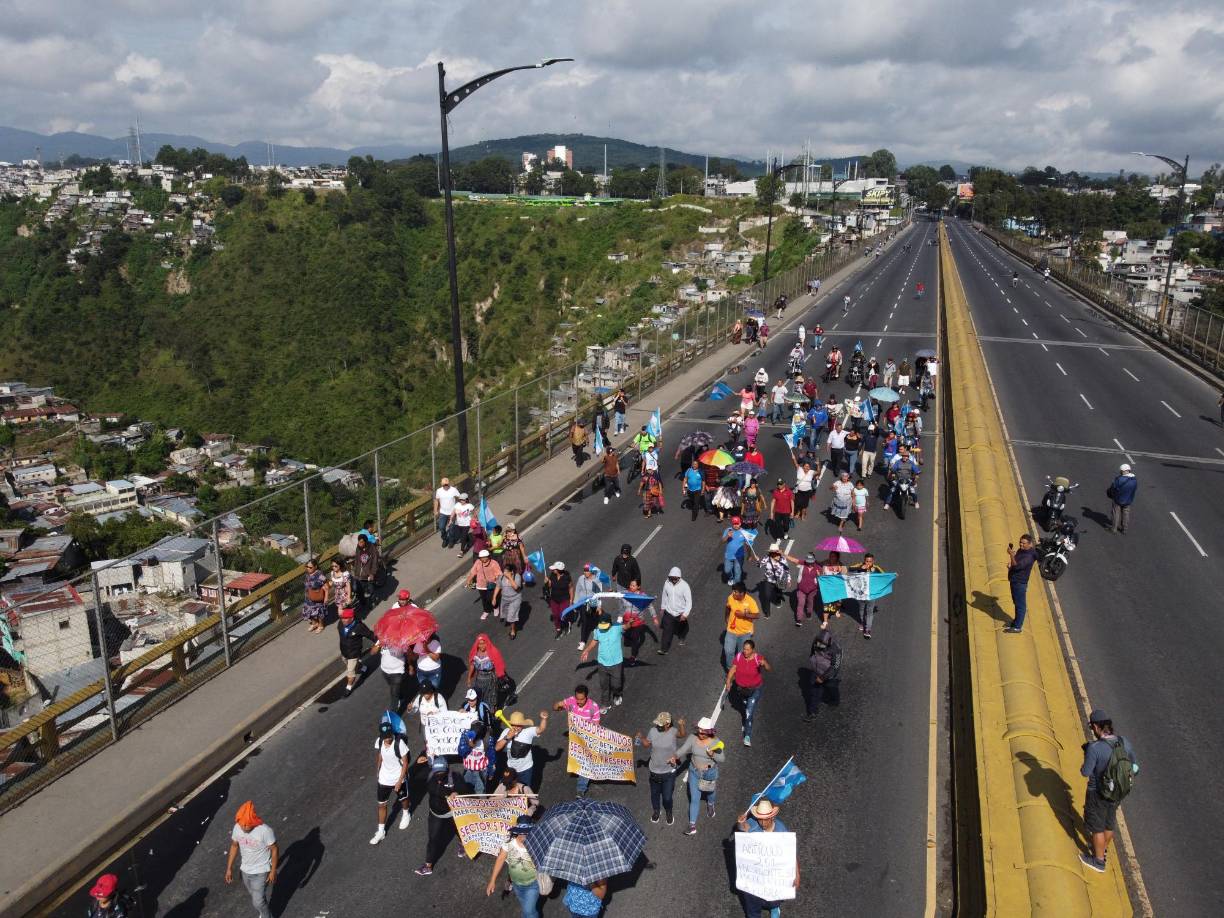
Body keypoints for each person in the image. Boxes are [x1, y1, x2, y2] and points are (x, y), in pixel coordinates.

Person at [1078, 710, 1138, 873]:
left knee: (1096, 827)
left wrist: (1085, 760)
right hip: (1118, 793)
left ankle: (1098, 861)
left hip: (1098, 793)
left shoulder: (1095, 748)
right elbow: (1135, 767)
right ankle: (1102, 849)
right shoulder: (1124, 742)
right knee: (1108, 823)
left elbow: (1086, 772)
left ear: (1096, 727)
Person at [736, 799, 800, 918]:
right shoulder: (753, 823)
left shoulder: (781, 830)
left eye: (765, 819)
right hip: (755, 874)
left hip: (773, 874)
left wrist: (796, 874)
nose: (762, 823)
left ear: (772, 817)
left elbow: (790, 853)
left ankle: (774, 907)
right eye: (760, 819)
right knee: (752, 902)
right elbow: (743, 828)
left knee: (773, 897)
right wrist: (741, 822)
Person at [225, 801, 277, 918]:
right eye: (242, 824)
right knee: (256, 897)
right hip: (245, 870)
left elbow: (274, 849)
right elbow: (234, 846)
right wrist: (229, 868)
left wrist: (273, 870)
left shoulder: (265, 830)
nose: (244, 827)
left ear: (253, 821)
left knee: (258, 901)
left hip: (262, 871)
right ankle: (263, 913)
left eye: (247, 825)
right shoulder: (237, 827)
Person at [676, 716, 725, 835]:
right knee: (694, 798)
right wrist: (675, 756)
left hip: (709, 773)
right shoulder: (693, 738)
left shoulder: (716, 742)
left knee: (710, 792)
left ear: (709, 732)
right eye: (699, 731)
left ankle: (710, 804)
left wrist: (713, 754)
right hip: (694, 771)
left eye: (703, 732)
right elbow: (683, 749)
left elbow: (722, 758)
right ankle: (692, 825)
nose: (700, 734)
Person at [486, 815, 543, 918]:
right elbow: (500, 859)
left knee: (529, 911)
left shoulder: (537, 843)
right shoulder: (509, 843)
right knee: (527, 909)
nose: (524, 834)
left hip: (533, 884)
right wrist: (492, 881)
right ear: (517, 830)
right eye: (522, 831)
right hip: (517, 885)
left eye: (527, 831)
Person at [636, 712, 686, 824]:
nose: (658, 726)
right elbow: (646, 744)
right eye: (657, 724)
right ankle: (656, 811)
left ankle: (668, 811)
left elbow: (682, 735)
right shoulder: (653, 731)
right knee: (654, 794)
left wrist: (682, 725)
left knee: (667, 797)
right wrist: (641, 737)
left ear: (668, 724)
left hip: (669, 771)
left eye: (660, 724)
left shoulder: (673, 731)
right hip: (654, 770)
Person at [370, 721, 412, 845]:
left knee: (403, 799)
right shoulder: (379, 741)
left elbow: (405, 762)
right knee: (381, 804)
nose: (387, 738)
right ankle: (381, 831)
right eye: (385, 736)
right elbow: (380, 755)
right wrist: (378, 769)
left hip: (398, 777)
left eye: (389, 735)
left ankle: (406, 813)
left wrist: (400, 780)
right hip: (384, 779)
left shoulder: (399, 744)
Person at [555, 684, 602, 795]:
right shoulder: (571, 701)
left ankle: (581, 788)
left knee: (585, 761)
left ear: (587, 697)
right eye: (577, 699)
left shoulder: (593, 707)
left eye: (582, 699)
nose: (579, 701)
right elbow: (556, 707)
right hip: (575, 738)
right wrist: (557, 705)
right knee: (579, 760)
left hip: (587, 738)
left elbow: (595, 727)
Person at [724, 639, 771, 746]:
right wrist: (728, 681)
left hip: (754, 690)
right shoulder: (739, 656)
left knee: (749, 713)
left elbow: (769, 669)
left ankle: (747, 736)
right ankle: (746, 719)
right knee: (745, 707)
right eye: (744, 649)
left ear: (752, 650)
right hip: (741, 689)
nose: (744, 651)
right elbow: (733, 669)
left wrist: (765, 664)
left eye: (747, 649)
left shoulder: (758, 658)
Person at [414, 764, 456, 876]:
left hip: (452, 813)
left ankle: (465, 846)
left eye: (441, 773)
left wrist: (458, 793)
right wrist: (448, 794)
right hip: (436, 815)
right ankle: (428, 865)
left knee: (460, 831)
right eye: (436, 773)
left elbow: (464, 790)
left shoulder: (455, 778)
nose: (439, 776)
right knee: (433, 839)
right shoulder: (430, 779)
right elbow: (433, 789)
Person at [580, 613, 626, 709]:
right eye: (601, 625)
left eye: (605, 626)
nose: (603, 628)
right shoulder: (598, 630)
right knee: (604, 685)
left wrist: (630, 622)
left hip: (616, 663)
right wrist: (587, 650)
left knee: (616, 685)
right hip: (602, 663)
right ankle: (605, 703)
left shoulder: (617, 628)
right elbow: (595, 640)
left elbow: (627, 627)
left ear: (610, 623)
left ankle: (617, 694)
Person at [496, 710, 548, 787]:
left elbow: (541, 729)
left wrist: (544, 719)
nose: (516, 727)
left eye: (519, 725)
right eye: (514, 725)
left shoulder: (527, 732)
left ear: (523, 725)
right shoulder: (506, 732)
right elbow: (497, 748)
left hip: (526, 769)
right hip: (511, 768)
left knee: (524, 792)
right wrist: (507, 737)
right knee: (509, 790)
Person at [336, 606, 377, 696]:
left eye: (346, 618)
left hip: (353, 653)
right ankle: (364, 668)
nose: (343, 620)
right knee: (351, 665)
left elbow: (370, 635)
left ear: (352, 618)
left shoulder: (359, 627)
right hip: (344, 652)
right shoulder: (340, 624)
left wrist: (378, 643)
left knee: (350, 673)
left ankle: (349, 687)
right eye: (342, 618)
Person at [803, 628, 841, 721]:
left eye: (822, 645)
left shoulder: (836, 649)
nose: (819, 646)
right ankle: (812, 712)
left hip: (829, 676)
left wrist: (823, 677)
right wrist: (812, 660)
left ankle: (835, 701)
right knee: (814, 693)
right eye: (818, 644)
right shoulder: (816, 640)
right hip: (816, 672)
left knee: (832, 688)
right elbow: (812, 651)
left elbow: (835, 666)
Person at [1003, 534, 1039, 633]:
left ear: (1030, 544)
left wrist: (1011, 555)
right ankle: (1016, 621)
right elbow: (1016, 561)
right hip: (1015, 580)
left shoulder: (1029, 557)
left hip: (1019, 583)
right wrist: (1012, 560)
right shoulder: (1022, 551)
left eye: (1024, 543)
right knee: (1016, 602)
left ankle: (1017, 627)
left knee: (1020, 605)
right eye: (1020, 542)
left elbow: (1017, 566)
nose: (1021, 545)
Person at [722, 581, 760, 672]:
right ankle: (730, 669)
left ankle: (739, 670)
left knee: (741, 654)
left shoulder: (751, 601)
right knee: (728, 651)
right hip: (731, 630)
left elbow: (757, 615)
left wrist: (744, 615)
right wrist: (726, 618)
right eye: (733, 591)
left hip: (745, 633)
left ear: (742, 593)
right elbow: (727, 607)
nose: (733, 593)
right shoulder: (731, 597)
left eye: (735, 592)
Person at [655, 566, 692, 654]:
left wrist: (685, 614)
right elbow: (664, 595)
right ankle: (664, 649)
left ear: (679, 577)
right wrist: (663, 607)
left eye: (676, 578)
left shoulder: (685, 586)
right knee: (667, 630)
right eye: (672, 578)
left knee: (682, 627)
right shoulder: (667, 583)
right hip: (669, 611)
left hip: (680, 612)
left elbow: (689, 602)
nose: (674, 580)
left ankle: (682, 636)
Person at [458, 721, 498, 793]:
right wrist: (469, 746)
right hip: (468, 770)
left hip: (481, 772)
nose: (474, 739)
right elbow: (461, 753)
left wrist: (491, 772)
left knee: (480, 792)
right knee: (466, 791)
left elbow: (491, 757)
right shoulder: (465, 735)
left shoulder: (488, 739)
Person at [467, 632, 505, 706]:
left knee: (491, 697)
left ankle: (491, 713)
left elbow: (498, 665)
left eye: (484, 643)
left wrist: (499, 676)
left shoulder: (493, 652)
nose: (482, 646)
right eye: (480, 644)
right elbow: (472, 665)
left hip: (490, 678)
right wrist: (469, 678)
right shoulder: (475, 653)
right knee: (479, 696)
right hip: (479, 678)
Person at [853, 552, 885, 638]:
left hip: (871, 594)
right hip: (861, 594)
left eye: (870, 561)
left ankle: (868, 630)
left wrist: (893, 576)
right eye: (867, 561)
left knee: (870, 612)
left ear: (873, 561)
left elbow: (885, 576)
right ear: (864, 560)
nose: (868, 563)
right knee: (861, 609)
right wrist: (861, 568)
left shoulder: (876, 568)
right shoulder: (860, 565)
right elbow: (850, 569)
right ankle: (862, 623)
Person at [621, 581, 653, 664]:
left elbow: (650, 605)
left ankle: (633, 656)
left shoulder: (642, 596)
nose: (631, 587)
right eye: (631, 585)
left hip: (638, 621)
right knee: (627, 639)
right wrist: (612, 593)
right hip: (627, 621)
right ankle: (632, 642)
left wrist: (654, 617)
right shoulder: (626, 594)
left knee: (635, 639)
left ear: (638, 587)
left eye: (633, 585)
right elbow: (618, 597)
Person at [466, 549, 502, 622]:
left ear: (488, 556)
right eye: (481, 558)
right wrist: (468, 580)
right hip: (481, 585)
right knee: (484, 599)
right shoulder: (478, 562)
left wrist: (498, 583)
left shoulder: (493, 563)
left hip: (491, 585)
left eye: (485, 557)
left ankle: (495, 607)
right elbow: (473, 572)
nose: (483, 559)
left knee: (491, 598)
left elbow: (499, 574)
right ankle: (486, 611)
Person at [543, 560, 576, 639]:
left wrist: (571, 600)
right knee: (555, 615)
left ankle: (566, 624)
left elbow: (571, 588)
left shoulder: (567, 577)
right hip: (554, 599)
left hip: (564, 599)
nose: (552, 570)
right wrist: (546, 583)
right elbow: (549, 586)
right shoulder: (552, 575)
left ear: (558, 570)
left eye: (554, 569)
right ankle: (558, 629)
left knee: (562, 615)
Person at [756, 542, 791, 615]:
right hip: (768, 580)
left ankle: (778, 600)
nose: (775, 554)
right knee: (767, 595)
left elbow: (787, 570)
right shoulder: (767, 558)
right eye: (773, 552)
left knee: (778, 593)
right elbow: (760, 565)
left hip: (779, 581)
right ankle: (767, 613)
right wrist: (757, 560)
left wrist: (788, 580)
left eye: (776, 552)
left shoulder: (783, 559)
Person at [884, 444, 920, 512]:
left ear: (908, 457)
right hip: (898, 479)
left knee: (913, 492)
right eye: (903, 456)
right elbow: (893, 469)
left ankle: (916, 502)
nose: (904, 457)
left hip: (908, 480)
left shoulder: (911, 463)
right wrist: (892, 474)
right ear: (902, 456)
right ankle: (887, 504)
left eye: (906, 456)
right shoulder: (898, 462)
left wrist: (917, 474)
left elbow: (916, 469)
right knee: (892, 491)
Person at [574, 563, 602, 648]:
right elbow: (577, 590)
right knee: (584, 621)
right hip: (583, 602)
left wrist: (599, 606)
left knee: (593, 619)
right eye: (584, 570)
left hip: (593, 602)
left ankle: (596, 632)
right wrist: (575, 604)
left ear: (591, 571)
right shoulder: (581, 578)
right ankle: (582, 641)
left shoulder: (596, 580)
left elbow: (599, 594)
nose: (585, 572)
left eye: (587, 571)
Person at [493, 562, 524, 638]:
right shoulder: (502, 577)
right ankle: (508, 619)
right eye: (504, 571)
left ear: (511, 572)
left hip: (515, 599)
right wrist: (494, 597)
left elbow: (516, 587)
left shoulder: (517, 577)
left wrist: (510, 577)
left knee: (511, 616)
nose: (504, 573)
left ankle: (513, 631)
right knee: (506, 613)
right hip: (505, 599)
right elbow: (498, 586)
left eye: (506, 571)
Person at [818, 551, 848, 628]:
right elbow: (819, 565)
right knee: (826, 605)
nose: (831, 557)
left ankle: (837, 610)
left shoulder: (841, 565)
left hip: (837, 589)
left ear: (837, 557)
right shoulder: (825, 563)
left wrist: (840, 569)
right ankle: (825, 621)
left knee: (838, 603)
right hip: (827, 589)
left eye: (833, 556)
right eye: (830, 556)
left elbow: (846, 575)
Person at [1106, 463, 1138, 534]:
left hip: (1118, 500)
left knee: (1116, 514)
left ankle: (1114, 529)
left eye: (1121, 471)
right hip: (1128, 500)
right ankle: (1124, 529)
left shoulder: (1119, 479)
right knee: (1126, 515)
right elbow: (1134, 490)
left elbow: (1113, 488)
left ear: (1123, 471)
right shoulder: (1134, 480)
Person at [351, 533, 379, 611]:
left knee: (370, 590)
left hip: (369, 574)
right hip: (360, 574)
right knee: (359, 590)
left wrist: (372, 573)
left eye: (361, 542)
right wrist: (356, 572)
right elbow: (357, 560)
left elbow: (374, 561)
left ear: (365, 542)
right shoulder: (358, 548)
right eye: (359, 542)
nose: (359, 544)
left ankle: (372, 602)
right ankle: (363, 603)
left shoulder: (372, 548)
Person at [721, 516, 752, 585]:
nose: (735, 525)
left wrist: (749, 555)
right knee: (727, 570)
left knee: (737, 572)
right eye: (734, 524)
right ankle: (731, 578)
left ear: (740, 523)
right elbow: (722, 541)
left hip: (739, 556)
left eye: (737, 523)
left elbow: (748, 545)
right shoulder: (728, 530)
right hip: (729, 555)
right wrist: (727, 536)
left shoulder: (744, 532)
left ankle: (736, 586)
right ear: (732, 524)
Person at [794, 552, 821, 627]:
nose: (809, 563)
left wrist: (820, 575)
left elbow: (823, 578)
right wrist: (784, 555)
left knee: (810, 601)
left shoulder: (818, 568)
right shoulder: (803, 563)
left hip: (812, 590)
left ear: (814, 561)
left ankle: (809, 612)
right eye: (808, 562)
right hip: (801, 589)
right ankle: (799, 619)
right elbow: (794, 560)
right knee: (801, 603)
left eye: (811, 562)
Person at [302, 557, 328, 633]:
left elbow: (326, 586)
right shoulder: (307, 574)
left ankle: (321, 625)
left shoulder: (319, 575)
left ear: (315, 566)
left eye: (310, 567)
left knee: (319, 612)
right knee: (309, 610)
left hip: (317, 597)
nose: (308, 568)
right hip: (308, 597)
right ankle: (314, 623)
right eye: (307, 566)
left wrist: (326, 597)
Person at [434, 477, 461, 547]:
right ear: (441, 484)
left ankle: (451, 541)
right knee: (441, 527)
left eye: (446, 484)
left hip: (452, 512)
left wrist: (459, 507)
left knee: (451, 528)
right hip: (443, 512)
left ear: (449, 484)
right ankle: (445, 539)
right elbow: (436, 500)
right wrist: (435, 510)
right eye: (444, 485)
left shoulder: (453, 490)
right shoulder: (439, 491)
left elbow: (460, 498)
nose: (445, 486)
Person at [789, 455, 816, 521]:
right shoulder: (799, 469)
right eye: (805, 466)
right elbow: (795, 463)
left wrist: (818, 465)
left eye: (808, 466)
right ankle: (798, 512)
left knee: (804, 505)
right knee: (797, 503)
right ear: (803, 466)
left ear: (809, 468)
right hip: (799, 491)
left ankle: (803, 515)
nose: (807, 467)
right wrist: (794, 458)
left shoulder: (811, 472)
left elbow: (818, 472)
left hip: (807, 492)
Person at [449, 492, 476, 556]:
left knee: (463, 538)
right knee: (462, 536)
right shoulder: (457, 505)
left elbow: (474, 514)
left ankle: (461, 551)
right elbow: (453, 513)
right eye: (460, 499)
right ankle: (469, 539)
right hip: (458, 524)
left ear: (466, 499)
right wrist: (450, 520)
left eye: (463, 500)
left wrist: (476, 520)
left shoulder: (469, 506)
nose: (461, 501)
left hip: (466, 524)